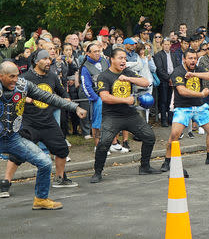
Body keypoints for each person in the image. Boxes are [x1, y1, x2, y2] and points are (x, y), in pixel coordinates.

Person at [0, 61, 86, 208]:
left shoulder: (23, 85)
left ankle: (41, 199)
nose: (15, 79)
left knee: (45, 163)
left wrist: (74, 107)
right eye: (11, 76)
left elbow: (49, 97)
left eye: (17, 76)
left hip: (13, 138)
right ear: (1, 76)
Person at [90, 49, 162, 183]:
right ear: (112, 59)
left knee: (149, 137)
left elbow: (146, 82)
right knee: (104, 143)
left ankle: (145, 167)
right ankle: (97, 172)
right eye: (120, 58)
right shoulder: (104, 76)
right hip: (112, 116)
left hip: (129, 115)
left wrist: (128, 78)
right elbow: (105, 97)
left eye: (124, 58)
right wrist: (125, 100)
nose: (123, 61)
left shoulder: (127, 72)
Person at [160, 49, 209, 172]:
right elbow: (182, 91)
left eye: (195, 58)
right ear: (184, 59)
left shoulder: (198, 69)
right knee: (174, 135)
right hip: (183, 107)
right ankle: (167, 161)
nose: (193, 60)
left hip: (199, 107)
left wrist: (194, 74)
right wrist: (201, 94)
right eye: (190, 58)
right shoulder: (177, 71)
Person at [154, 38, 180, 127]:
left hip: (173, 79)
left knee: (171, 100)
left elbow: (177, 67)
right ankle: (163, 120)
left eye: (168, 44)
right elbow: (159, 69)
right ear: (162, 45)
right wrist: (168, 78)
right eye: (165, 44)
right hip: (164, 80)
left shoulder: (174, 54)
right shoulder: (158, 55)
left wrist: (174, 78)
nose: (167, 46)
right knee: (163, 100)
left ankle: (170, 119)